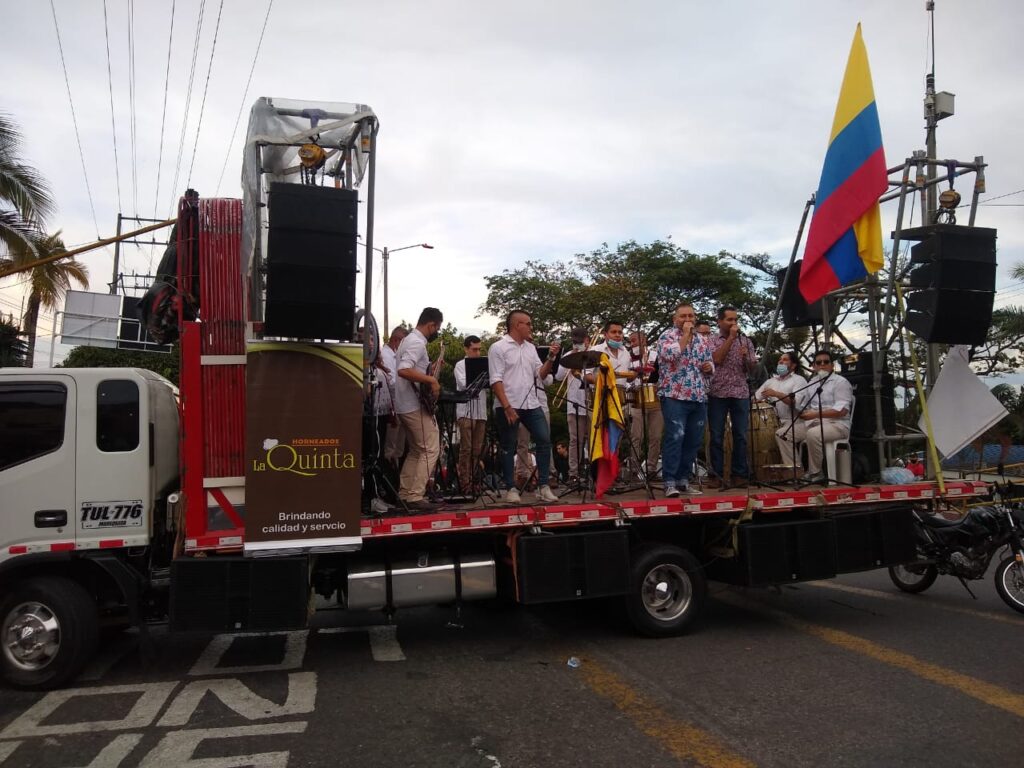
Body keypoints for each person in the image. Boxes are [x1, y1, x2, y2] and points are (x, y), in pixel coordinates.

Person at [489, 310, 561, 503]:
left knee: (544, 440)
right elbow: (495, 380)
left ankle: (543, 486)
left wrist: (551, 358)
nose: (531, 327)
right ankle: (511, 488)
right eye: (528, 323)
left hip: (531, 403)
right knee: (508, 445)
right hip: (509, 403)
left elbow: (541, 375)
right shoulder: (498, 348)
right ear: (516, 325)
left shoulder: (530, 348)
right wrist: (507, 407)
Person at [657, 303, 714, 497]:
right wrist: (686, 336)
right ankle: (669, 481)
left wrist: (709, 368)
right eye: (683, 316)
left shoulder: (703, 340)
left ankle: (683, 480)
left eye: (691, 316)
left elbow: (710, 364)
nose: (688, 319)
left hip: (698, 395)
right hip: (674, 395)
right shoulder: (667, 336)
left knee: (693, 439)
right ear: (675, 319)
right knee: (675, 436)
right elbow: (671, 355)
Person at [394, 308, 444, 510]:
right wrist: (431, 379)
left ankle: (405, 493)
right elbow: (404, 369)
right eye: (437, 328)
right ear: (431, 325)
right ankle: (415, 495)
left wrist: (427, 370)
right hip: (414, 404)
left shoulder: (408, 340)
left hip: (404, 404)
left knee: (416, 450)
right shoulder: (416, 342)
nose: (436, 332)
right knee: (431, 448)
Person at [708, 305, 758, 488]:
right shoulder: (712, 340)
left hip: (740, 393)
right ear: (719, 321)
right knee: (716, 436)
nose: (733, 323)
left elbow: (753, 370)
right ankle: (716, 475)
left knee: (741, 435)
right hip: (717, 392)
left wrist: (747, 358)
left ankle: (740, 474)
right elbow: (717, 359)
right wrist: (730, 339)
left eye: (736, 320)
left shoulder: (746, 341)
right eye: (729, 320)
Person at [792, 351, 854, 482]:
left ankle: (816, 472)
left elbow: (841, 411)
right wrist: (794, 405)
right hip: (813, 422)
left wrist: (815, 414)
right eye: (818, 363)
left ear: (832, 365)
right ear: (813, 366)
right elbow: (803, 406)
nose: (822, 365)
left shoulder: (841, 382)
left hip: (837, 424)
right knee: (784, 434)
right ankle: (796, 471)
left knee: (813, 434)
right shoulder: (812, 382)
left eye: (826, 362)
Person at [755, 351, 806, 468]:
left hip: (796, 422)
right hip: (772, 422)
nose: (780, 361)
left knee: (782, 434)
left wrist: (776, 394)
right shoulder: (770, 381)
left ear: (793, 366)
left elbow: (795, 402)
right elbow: (755, 398)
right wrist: (758, 401)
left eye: (785, 359)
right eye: (779, 359)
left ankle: (794, 470)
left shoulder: (799, 380)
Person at [553, 327, 590, 484]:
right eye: (576, 342)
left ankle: (592, 470)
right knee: (575, 440)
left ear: (587, 340)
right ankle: (573, 473)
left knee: (593, 439)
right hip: (573, 404)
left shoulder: (594, 354)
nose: (578, 344)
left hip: (591, 402)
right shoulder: (568, 355)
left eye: (581, 342)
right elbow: (559, 377)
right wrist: (571, 360)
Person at [454, 335, 488, 493]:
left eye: (479, 349)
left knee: (477, 449)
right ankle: (464, 482)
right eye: (474, 349)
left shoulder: (483, 364)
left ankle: (475, 481)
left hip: (480, 412)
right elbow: (464, 384)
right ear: (466, 349)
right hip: (465, 411)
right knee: (466, 449)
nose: (477, 352)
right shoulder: (460, 365)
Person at [627, 329, 663, 481]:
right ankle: (633, 470)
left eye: (635, 340)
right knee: (637, 436)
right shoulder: (628, 358)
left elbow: (663, 374)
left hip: (655, 399)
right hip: (637, 400)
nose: (632, 344)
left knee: (655, 436)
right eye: (631, 341)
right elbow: (625, 380)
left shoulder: (655, 355)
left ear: (644, 340)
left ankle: (651, 468)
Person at [378, 327, 408, 467]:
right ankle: (389, 477)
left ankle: (396, 478)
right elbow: (391, 381)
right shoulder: (385, 355)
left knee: (399, 447)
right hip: (392, 407)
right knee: (390, 446)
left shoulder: (396, 354)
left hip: (402, 406)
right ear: (396, 340)